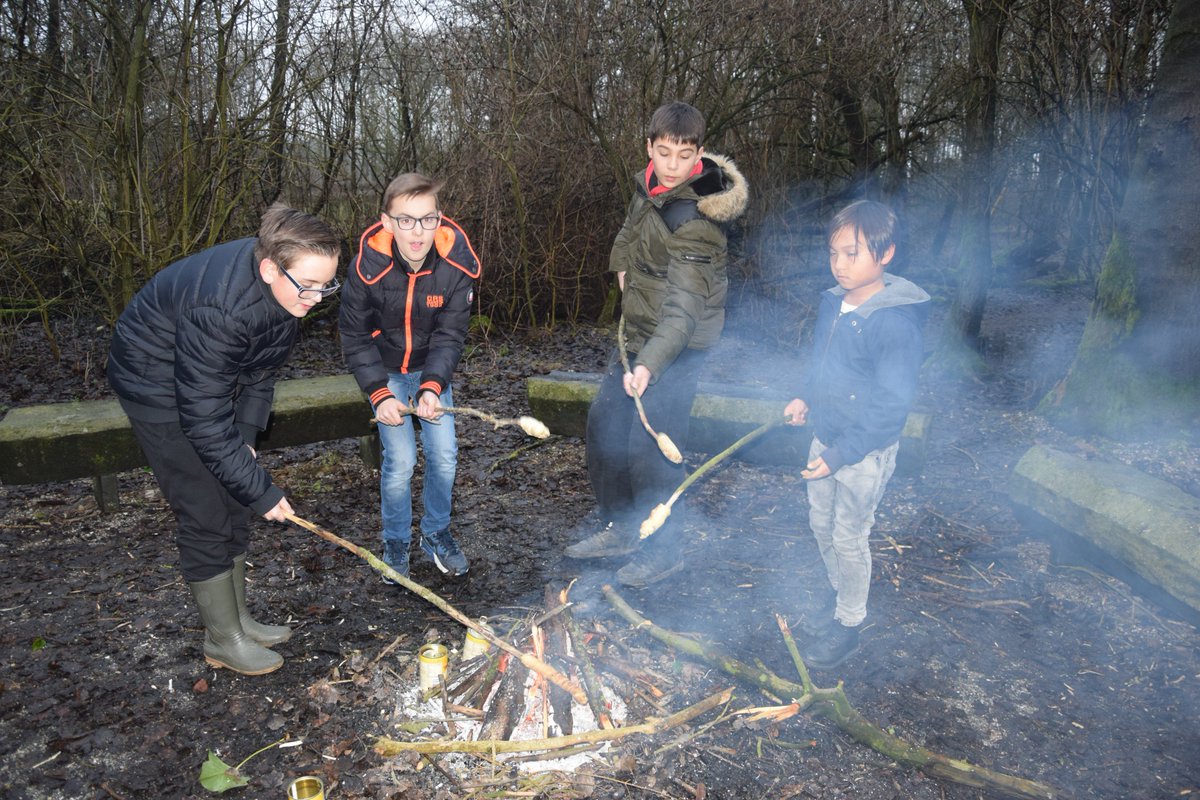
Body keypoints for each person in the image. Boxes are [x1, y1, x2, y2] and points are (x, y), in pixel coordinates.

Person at [107, 204, 342, 676]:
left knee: (234, 495)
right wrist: (261, 489)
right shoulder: (223, 308)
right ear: (270, 268)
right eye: (309, 286)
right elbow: (201, 420)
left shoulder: (285, 291)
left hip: (206, 378)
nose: (317, 297)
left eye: (327, 285)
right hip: (154, 379)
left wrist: (248, 439)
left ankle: (239, 620)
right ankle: (222, 638)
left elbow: (261, 372)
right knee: (206, 509)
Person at [565, 101, 748, 587]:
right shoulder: (649, 187)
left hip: (678, 345)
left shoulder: (697, 219)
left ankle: (665, 550)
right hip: (640, 331)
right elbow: (630, 228)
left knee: (651, 449)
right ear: (650, 149)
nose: (672, 166)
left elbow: (684, 312)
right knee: (604, 428)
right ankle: (622, 528)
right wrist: (621, 265)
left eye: (683, 156)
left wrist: (648, 366)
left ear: (699, 154)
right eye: (663, 153)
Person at [784, 199, 930, 669]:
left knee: (849, 536)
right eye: (834, 254)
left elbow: (891, 407)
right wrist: (805, 395)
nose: (840, 265)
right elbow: (821, 362)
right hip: (826, 436)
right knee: (818, 524)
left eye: (853, 254)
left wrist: (844, 452)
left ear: (885, 255)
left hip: (863, 452)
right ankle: (839, 596)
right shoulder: (834, 302)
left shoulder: (895, 322)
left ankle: (849, 623)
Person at [340, 172, 481, 581]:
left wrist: (433, 385)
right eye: (406, 220)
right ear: (386, 222)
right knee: (400, 461)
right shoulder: (367, 268)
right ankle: (396, 541)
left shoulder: (456, 268)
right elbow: (354, 336)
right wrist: (380, 395)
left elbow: (450, 335)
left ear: (440, 219)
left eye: (427, 219)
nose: (417, 232)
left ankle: (436, 533)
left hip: (430, 368)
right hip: (384, 371)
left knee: (444, 456)